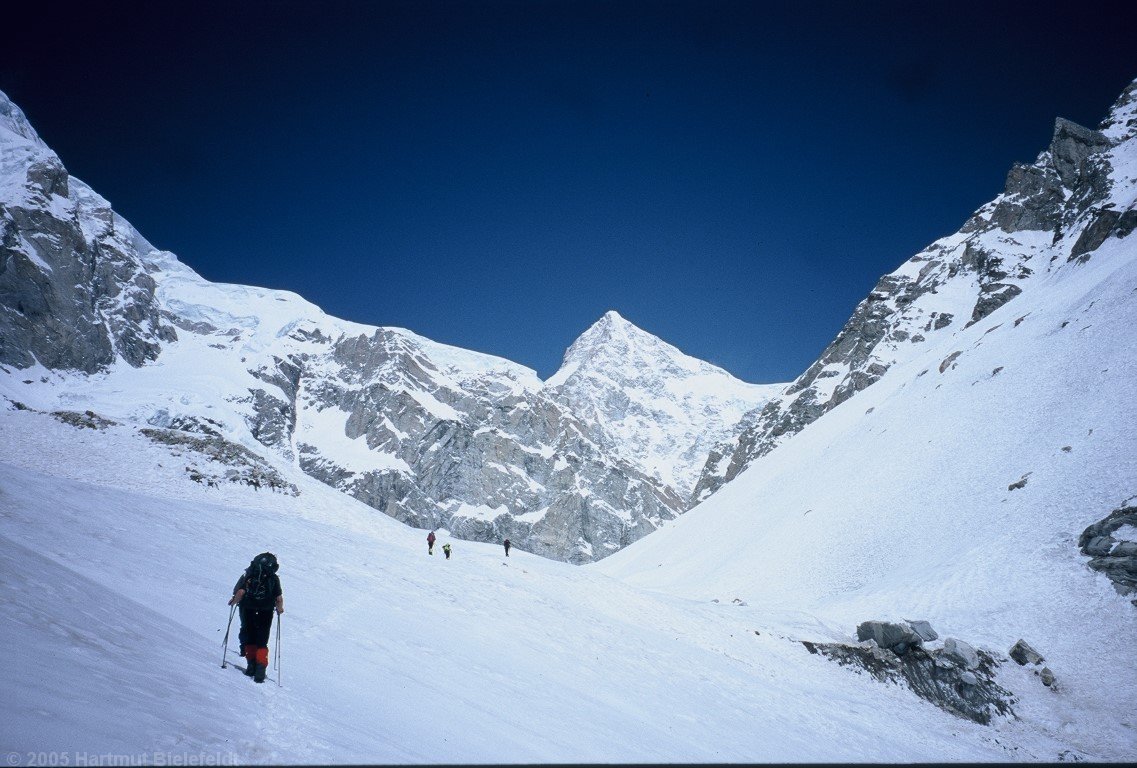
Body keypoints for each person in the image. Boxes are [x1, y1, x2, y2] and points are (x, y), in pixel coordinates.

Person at [229, 552, 284, 683]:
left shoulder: (250, 574)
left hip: (248, 608)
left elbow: (241, 591)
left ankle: (250, 666)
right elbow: (279, 598)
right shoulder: (274, 578)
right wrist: (280, 609)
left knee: (250, 637)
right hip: (266, 611)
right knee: (262, 640)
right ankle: (260, 670)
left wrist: (234, 601)